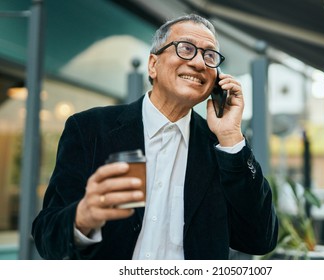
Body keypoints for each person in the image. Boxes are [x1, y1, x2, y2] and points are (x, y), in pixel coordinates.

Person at [31, 13, 278, 260]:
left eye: (209, 55)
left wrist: (231, 137)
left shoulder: (222, 149)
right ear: (152, 65)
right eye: (186, 48)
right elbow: (47, 237)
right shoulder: (89, 129)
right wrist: (82, 217)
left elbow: (260, 239)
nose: (200, 63)